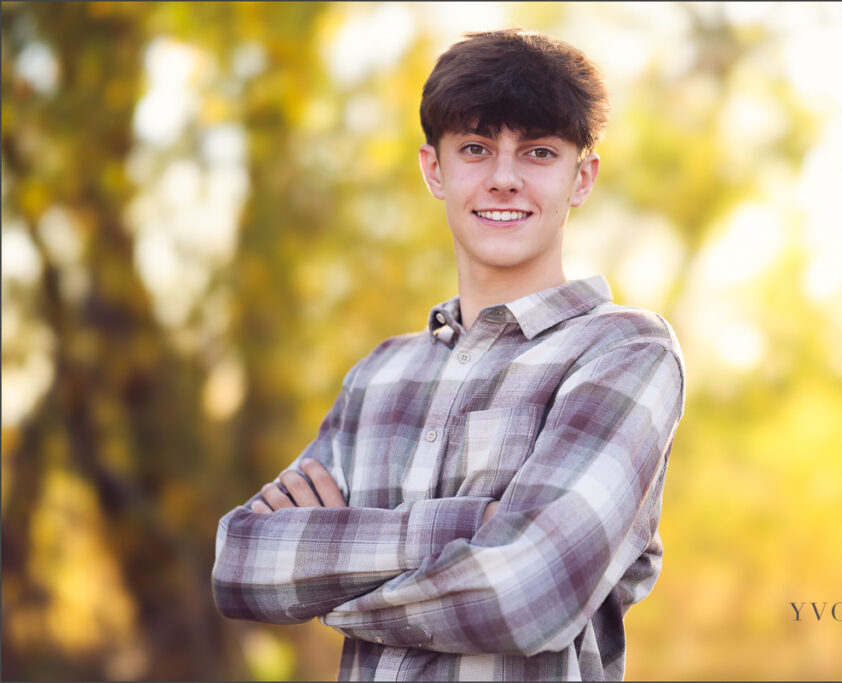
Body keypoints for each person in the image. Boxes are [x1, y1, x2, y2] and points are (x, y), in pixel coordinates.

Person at [212, 28, 685, 681]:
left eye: (540, 152)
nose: (505, 179)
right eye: (475, 148)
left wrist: (333, 578)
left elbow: (528, 591)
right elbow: (242, 562)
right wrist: (464, 529)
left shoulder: (622, 351)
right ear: (435, 169)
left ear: (583, 178)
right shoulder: (379, 373)